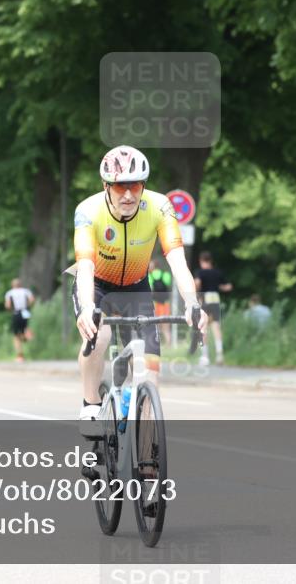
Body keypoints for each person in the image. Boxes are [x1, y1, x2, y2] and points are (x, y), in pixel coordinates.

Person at [73, 145, 207, 427]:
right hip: (95, 285)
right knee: (100, 336)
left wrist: (193, 304)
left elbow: (177, 261)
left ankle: (147, 456)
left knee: (149, 375)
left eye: (135, 185)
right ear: (106, 186)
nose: (129, 194)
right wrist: (87, 308)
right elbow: (85, 266)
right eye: (120, 187)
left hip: (136, 287)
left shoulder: (160, 207)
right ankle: (90, 405)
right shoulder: (88, 211)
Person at [194, 251, 232, 365]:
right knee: (216, 327)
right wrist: (218, 286)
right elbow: (228, 287)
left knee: (203, 327)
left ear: (201, 261)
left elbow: (197, 283)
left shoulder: (200, 272)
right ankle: (220, 354)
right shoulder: (217, 272)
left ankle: (205, 357)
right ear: (211, 260)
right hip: (215, 299)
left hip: (205, 299)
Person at [4, 279, 35, 363]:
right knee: (24, 328)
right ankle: (27, 336)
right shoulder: (26, 291)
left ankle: (20, 355)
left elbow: (8, 305)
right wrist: (28, 306)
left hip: (16, 313)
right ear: (20, 284)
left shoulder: (10, 293)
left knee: (16, 335)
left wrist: (11, 310)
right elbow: (32, 300)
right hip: (25, 312)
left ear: (12, 285)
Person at [148, 260, 173, 349]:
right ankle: (169, 345)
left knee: (155, 326)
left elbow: (150, 290)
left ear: (153, 266)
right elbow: (168, 284)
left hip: (155, 304)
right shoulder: (166, 275)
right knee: (166, 326)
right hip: (165, 303)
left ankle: (155, 345)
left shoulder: (150, 276)